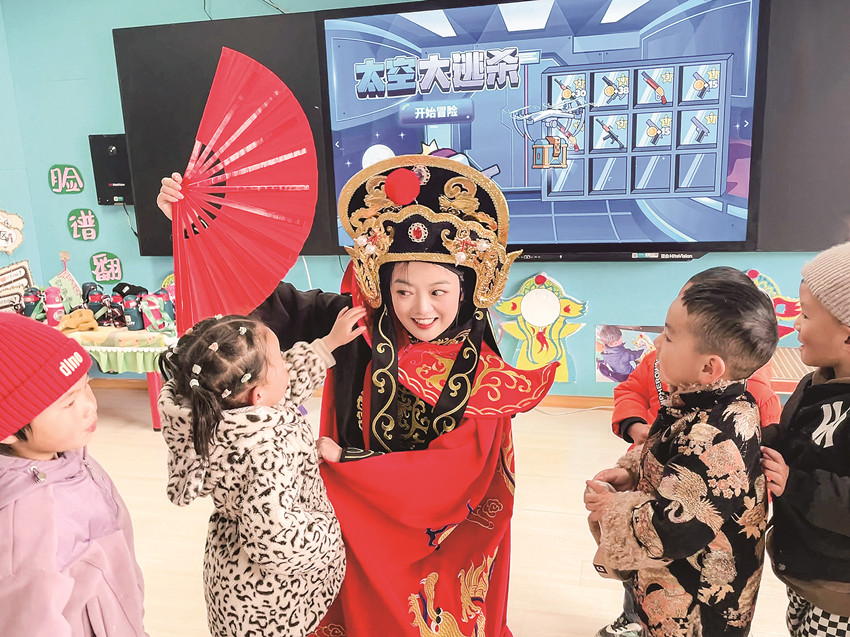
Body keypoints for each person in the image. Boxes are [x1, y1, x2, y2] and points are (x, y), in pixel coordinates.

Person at [158, 154, 558, 636]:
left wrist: (349, 460)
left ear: (469, 289)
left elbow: (457, 473)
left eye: (439, 291)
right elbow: (262, 302)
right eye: (403, 290)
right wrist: (199, 230)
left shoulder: (484, 379)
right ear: (384, 286)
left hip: (438, 539)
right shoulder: (355, 325)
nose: (421, 308)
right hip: (347, 531)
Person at [584, 278, 778, 636]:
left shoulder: (717, 433)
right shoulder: (704, 404)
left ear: (709, 368)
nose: (657, 342)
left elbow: (672, 531)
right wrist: (634, 472)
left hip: (696, 607)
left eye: (669, 336)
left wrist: (613, 507)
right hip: (673, 588)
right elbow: (678, 460)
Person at [157, 308, 365, 637]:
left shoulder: (220, 413)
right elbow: (277, 539)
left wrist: (327, 345)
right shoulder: (267, 451)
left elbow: (282, 390)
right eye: (280, 361)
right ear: (258, 396)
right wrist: (331, 533)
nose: (287, 364)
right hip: (269, 603)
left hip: (232, 574)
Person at [0, 312, 147, 636]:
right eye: (68, 403)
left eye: (86, 386)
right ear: (9, 429)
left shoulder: (74, 459)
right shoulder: (24, 521)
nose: (89, 406)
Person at [761, 241, 850, 636]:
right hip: (806, 567)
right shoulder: (814, 382)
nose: (796, 324)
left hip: (841, 590)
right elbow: (791, 438)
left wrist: (795, 484)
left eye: (806, 314)